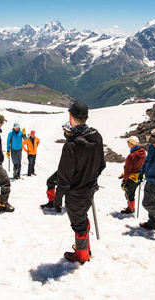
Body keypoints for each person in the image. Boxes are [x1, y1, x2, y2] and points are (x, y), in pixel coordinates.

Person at [54, 101, 106, 264]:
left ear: (71, 117)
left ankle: (82, 255)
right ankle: (83, 247)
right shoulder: (96, 136)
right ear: (86, 118)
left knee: (79, 225)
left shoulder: (71, 145)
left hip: (75, 195)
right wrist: (90, 178)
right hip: (90, 191)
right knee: (82, 219)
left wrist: (57, 198)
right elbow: (101, 164)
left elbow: (64, 177)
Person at [40, 122, 72, 210]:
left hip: (66, 170)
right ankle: (53, 202)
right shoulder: (72, 140)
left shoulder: (71, 142)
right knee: (52, 182)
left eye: (65, 130)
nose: (64, 132)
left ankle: (53, 202)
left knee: (52, 182)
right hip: (66, 169)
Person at [118, 136, 146, 214]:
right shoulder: (142, 152)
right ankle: (131, 207)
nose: (127, 144)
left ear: (132, 144)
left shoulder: (131, 156)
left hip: (131, 177)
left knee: (129, 193)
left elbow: (128, 170)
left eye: (128, 143)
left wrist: (124, 181)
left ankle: (130, 209)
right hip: (138, 176)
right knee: (132, 193)